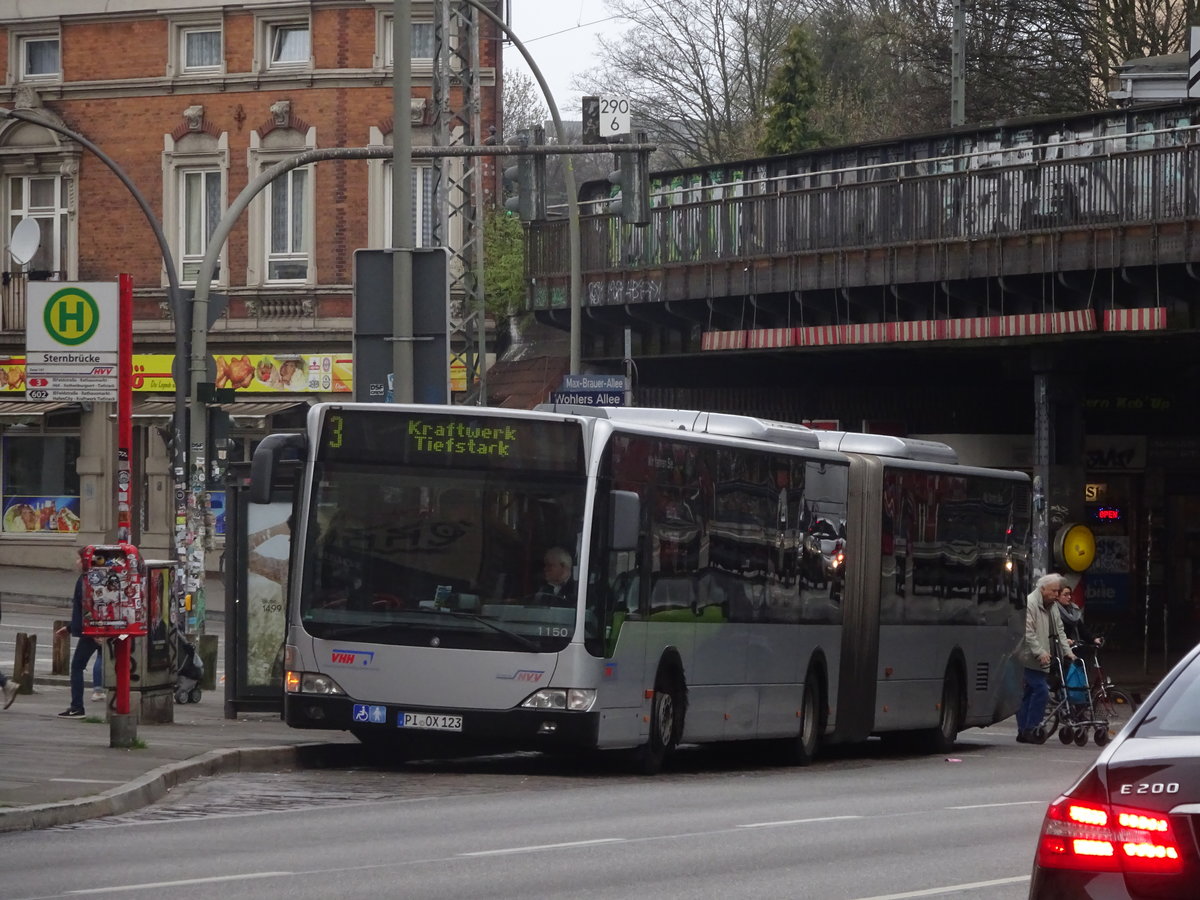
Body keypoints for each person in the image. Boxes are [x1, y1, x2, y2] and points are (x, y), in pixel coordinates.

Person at [1014, 573, 1077, 743]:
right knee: (1041, 690)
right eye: (1054, 591)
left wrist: (1067, 652)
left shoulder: (1052, 605)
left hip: (1043, 657)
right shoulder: (1031, 604)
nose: (1057, 594)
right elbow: (1028, 632)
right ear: (1042, 589)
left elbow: (1060, 631)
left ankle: (1023, 731)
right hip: (1028, 656)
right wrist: (1040, 651)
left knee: (1028, 693)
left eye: (1058, 591)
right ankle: (1031, 728)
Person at [55, 550, 104, 718]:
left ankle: (77, 707)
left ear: (86, 561)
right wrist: (69, 628)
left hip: (90, 632)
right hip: (100, 630)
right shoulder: (99, 578)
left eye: (79, 558)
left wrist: (94, 630)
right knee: (114, 664)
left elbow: (87, 609)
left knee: (77, 667)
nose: (76, 561)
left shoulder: (85, 581)